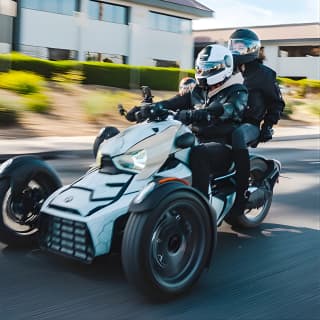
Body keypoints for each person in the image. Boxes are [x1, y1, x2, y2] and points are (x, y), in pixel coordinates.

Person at [126, 44, 250, 201]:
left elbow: (230, 109)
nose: (204, 72)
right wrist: (146, 109)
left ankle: (201, 205)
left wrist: (198, 113)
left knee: (198, 154)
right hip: (194, 139)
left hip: (223, 144)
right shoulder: (198, 91)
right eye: (201, 68)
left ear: (225, 66)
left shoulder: (237, 90)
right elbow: (172, 102)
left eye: (210, 68)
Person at [227, 29, 285, 214]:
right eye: (233, 45)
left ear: (251, 48)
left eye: (240, 45)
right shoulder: (227, 70)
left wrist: (267, 126)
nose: (235, 49)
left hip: (249, 124)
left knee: (236, 136)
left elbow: (277, 103)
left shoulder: (265, 74)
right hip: (225, 120)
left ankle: (242, 192)